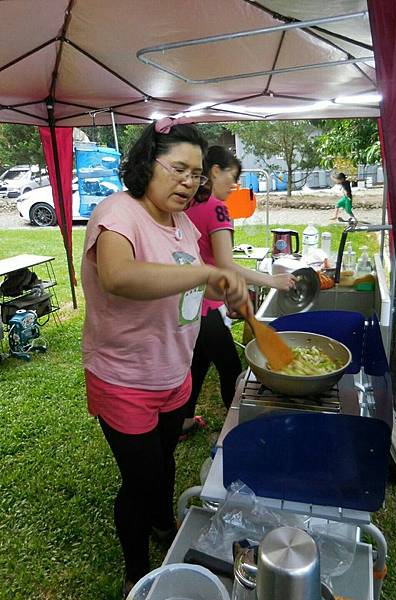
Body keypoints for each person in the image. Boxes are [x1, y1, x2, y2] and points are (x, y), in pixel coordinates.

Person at [80, 121, 249, 598]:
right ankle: (136, 570)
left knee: (167, 457)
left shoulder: (178, 222)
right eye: (178, 169)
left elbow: (188, 286)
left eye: (196, 174)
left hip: (172, 370)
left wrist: (219, 287)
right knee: (141, 479)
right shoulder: (117, 213)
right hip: (123, 377)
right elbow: (118, 276)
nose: (188, 182)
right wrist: (203, 273)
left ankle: (160, 523)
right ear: (145, 164)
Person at [181, 146, 297, 437]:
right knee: (233, 370)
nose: (234, 188)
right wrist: (273, 282)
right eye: (232, 179)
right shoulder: (218, 208)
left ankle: (181, 424)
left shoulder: (186, 204)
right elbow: (226, 265)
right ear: (215, 171)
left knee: (198, 362)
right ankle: (242, 432)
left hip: (186, 302)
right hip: (208, 305)